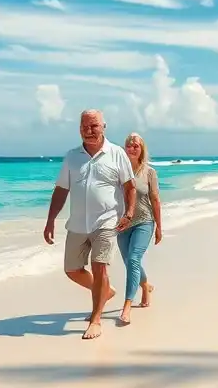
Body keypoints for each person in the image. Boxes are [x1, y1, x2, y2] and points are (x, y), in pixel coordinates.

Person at [43, 109, 136, 340]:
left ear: (104, 126)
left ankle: (96, 320)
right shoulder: (72, 157)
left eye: (94, 126)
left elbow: (129, 186)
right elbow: (61, 189)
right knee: (72, 270)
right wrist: (50, 220)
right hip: (77, 223)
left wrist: (129, 213)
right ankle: (105, 291)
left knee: (100, 266)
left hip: (106, 221)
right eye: (84, 126)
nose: (88, 130)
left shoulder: (116, 154)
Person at [116, 132, 162, 326]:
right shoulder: (117, 171)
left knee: (134, 259)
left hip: (144, 221)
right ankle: (145, 286)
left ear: (142, 149)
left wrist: (159, 227)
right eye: (129, 145)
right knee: (129, 263)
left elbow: (155, 200)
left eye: (136, 145)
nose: (132, 148)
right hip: (122, 224)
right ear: (125, 148)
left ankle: (127, 306)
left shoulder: (149, 172)